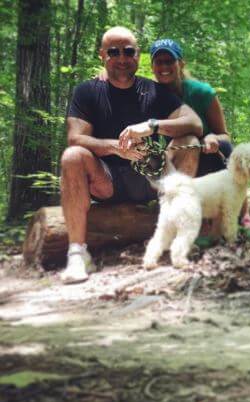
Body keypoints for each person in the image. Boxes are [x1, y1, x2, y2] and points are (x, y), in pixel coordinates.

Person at [60, 27, 203, 284]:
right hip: (105, 180)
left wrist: (152, 125)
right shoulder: (87, 91)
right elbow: (75, 137)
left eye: (129, 51)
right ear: (102, 55)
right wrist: (116, 147)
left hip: (148, 176)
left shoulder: (154, 91)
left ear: (138, 55)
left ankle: (178, 235)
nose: (122, 58)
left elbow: (194, 123)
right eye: (114, 52)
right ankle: (78, 254)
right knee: (72, 156)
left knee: (190, 142)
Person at [121, 38, 250, 237]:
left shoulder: (201, 93)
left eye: (169, 61)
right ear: (152, 66)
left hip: (205, 160)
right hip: (166, 168)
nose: (164, 66)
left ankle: (244, 215)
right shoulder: (146, 95)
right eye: (159, 62)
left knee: (224, 150)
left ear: (181, 63)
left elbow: (225, 136)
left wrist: (213, 136)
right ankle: (184, 218)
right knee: (187, 143)